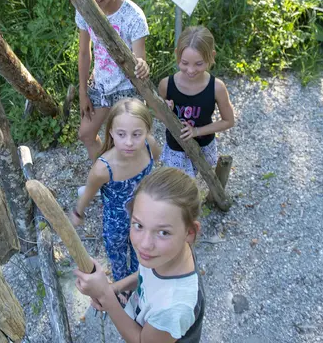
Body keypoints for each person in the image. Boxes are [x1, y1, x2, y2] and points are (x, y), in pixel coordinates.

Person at [74, 167, 205, 343]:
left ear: (190, 232)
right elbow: (148, 275)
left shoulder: (174, 307)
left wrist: (106, 296)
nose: (144, 244)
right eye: (138, 225)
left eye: (163, 232)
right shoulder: (169, 254)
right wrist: (116, 288)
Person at [70, 98, 161, 281]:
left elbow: (154, 163)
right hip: (116, 225)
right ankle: (122, 291)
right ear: (111, 132)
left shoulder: (150, 147)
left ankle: (140, 286)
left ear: (147, 132)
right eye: (121, 134)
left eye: (137, 134)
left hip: (145, 219)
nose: (129, 142)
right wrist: (78, 213)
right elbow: (88, 192)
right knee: (118, 260)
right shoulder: (103, 168)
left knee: (142, 256)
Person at [76, 0, 150, 164]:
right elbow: (84, 51)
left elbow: (139, 58)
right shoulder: (84, 9)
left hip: (126, 88)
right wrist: (83, 91)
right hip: (100, 85)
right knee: (86, 134)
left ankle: (132, 182)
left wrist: (142, 66)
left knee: (129, 143)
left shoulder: (132, 15)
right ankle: (106, 176)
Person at [158, 26, 235, 178]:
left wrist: (196, 131)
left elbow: (228, 121)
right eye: (185, 63)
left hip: (203, 145)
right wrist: (164, 110)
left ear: (211, 56)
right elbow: (153, 112)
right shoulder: (166, 85)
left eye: (199, 64)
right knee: (177, 185)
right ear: (177, 55)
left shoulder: (217, 88)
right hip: (176, 148)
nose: (191, 70)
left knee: (198, 181)